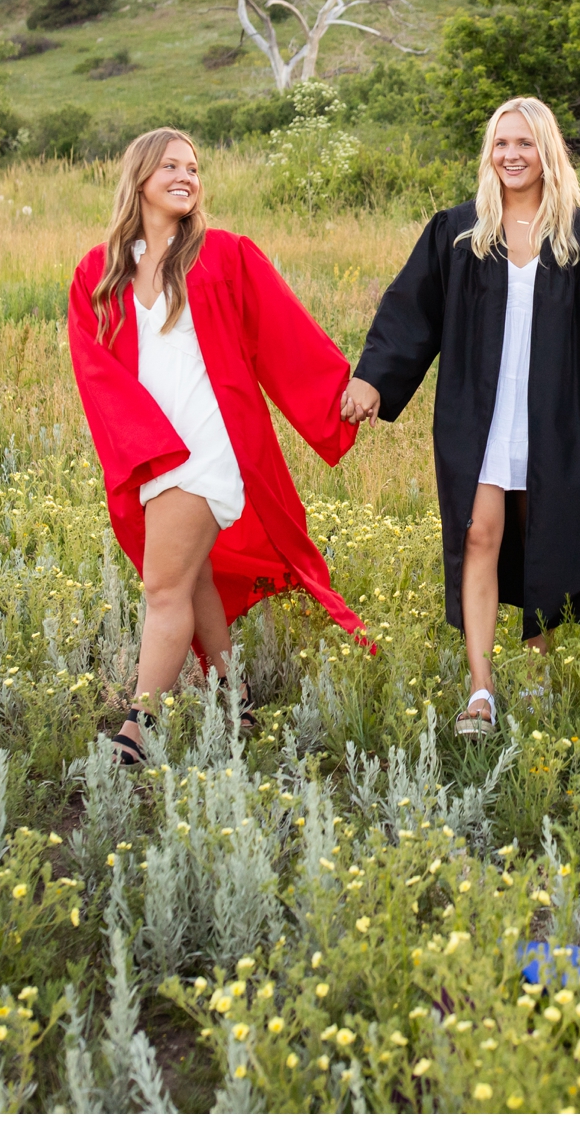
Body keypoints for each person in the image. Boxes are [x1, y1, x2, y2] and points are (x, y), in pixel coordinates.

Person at [344, 97, 580, 736]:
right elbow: (411, 310)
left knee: (547, 535)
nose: (512, 155)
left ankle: (536, 679)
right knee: (479, 534)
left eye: (526, 144)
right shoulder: (458, 233)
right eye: (501, 143)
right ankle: (481, 689)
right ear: (490, 152)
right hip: (479, 410)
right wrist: (375, 377)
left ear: (549, 152)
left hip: (559, 413)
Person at [67, 126, 367, 765]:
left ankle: (138, 726)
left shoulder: (224, 254)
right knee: (193, 575)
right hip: (150, 449)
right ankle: (234, 695)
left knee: (162, 588)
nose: (186, 176)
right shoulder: (101, 269)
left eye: (194, 168)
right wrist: (134, 444)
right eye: (171, 165)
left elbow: (286, 332)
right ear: (140, 176)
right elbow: (94, 368)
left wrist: (345, 392)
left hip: (206, 446)